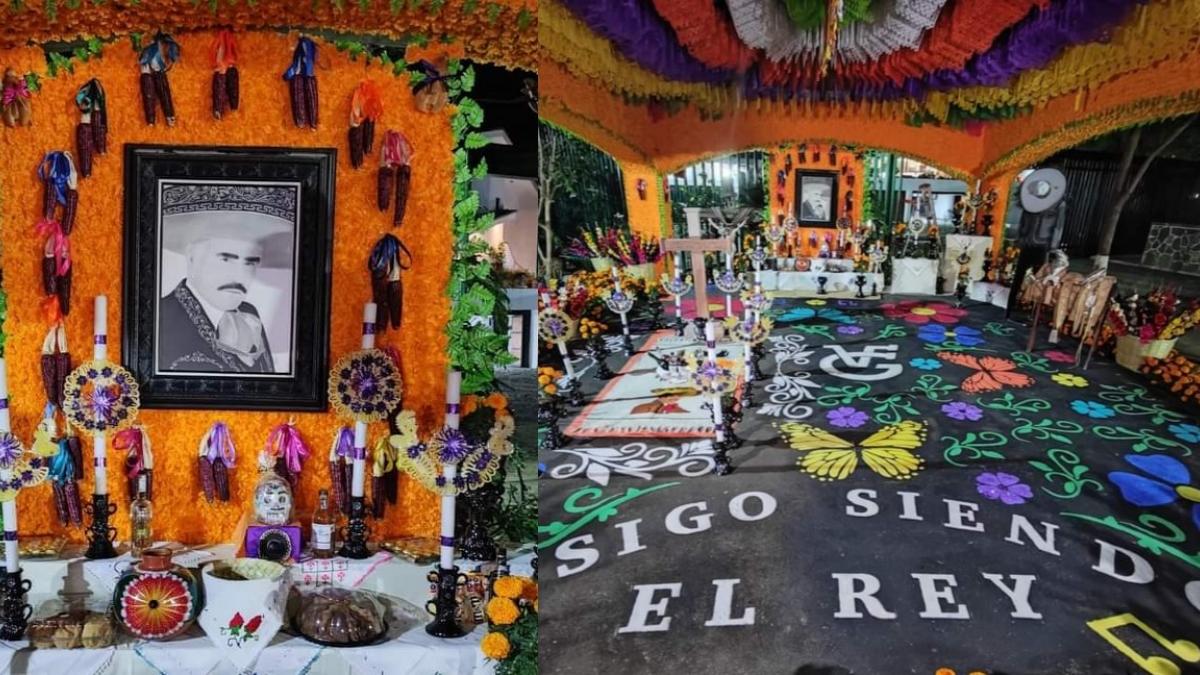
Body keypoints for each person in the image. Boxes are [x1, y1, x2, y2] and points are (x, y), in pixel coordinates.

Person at [157, 199, 294, 374]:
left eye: (250, 263)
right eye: (226, 259)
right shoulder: (161, 317)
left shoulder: (249, 313)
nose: (240, 276)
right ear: (192, 257)